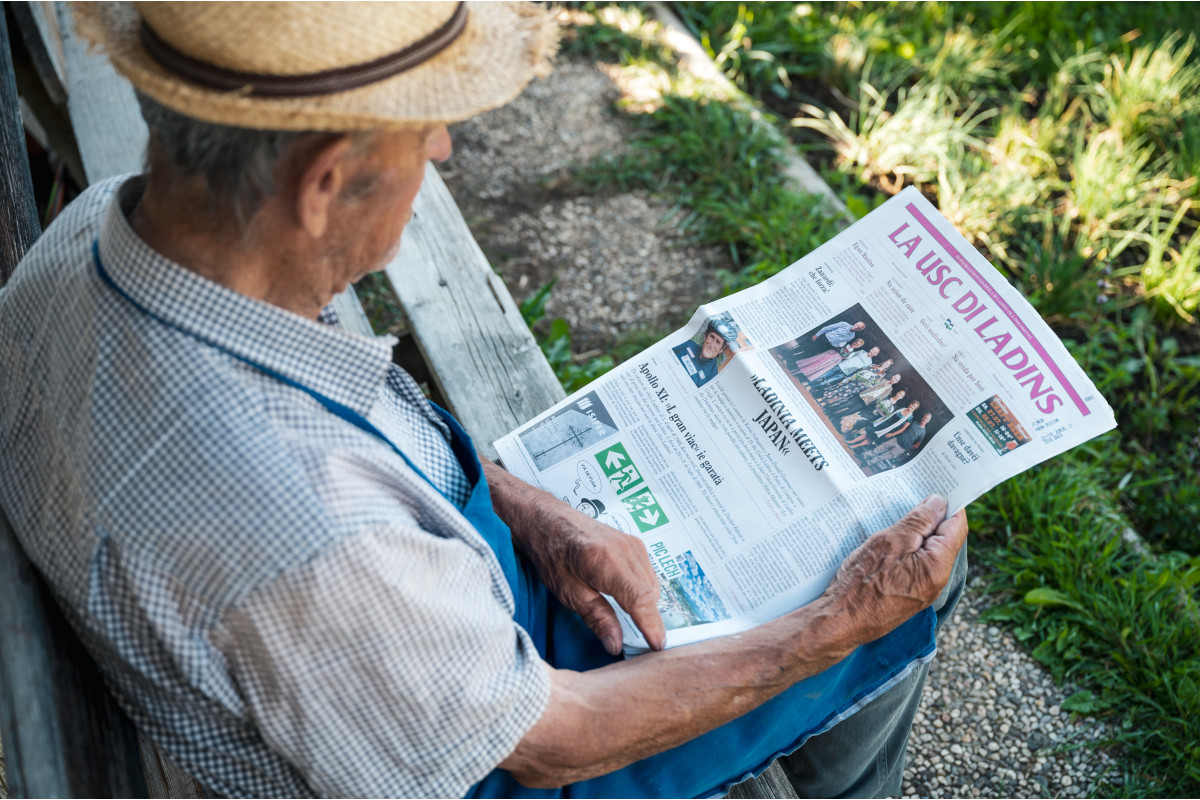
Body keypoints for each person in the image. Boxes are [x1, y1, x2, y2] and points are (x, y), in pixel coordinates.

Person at [0, 3, 967, 798]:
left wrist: (539, 515)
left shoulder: (100, 234)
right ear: (325, 181)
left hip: (407, 651)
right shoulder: (310, 533)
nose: (448, 148)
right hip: (500, 754)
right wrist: (841, 622)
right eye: (426, 131)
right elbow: (555, 743)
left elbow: (357, 483)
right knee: (891, 568)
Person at [673, 320, 732, 387]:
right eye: (712, 337)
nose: (712, 345)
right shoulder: (688, 345)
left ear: (721, 349)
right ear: (705, 337)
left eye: (718, 342)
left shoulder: (712, 377)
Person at [863, 413, 935, 466]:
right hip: (896, 439)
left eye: (927, 419)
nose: (925, 419)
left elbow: (916, 445)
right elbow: (904, 428)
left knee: (883, 457)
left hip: (901, 448)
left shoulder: (923, 432)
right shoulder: (915, 422)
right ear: (923, 417)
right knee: (879, 449)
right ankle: (864, 455)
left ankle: (868, 463)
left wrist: (907, 446)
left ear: (928, 421)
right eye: (924, 417)